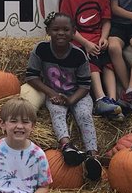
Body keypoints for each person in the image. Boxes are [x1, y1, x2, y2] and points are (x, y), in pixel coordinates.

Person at [26, 12, 102, 182]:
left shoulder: (79, 55)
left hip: (78, 95)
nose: (61, 33)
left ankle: (93, 156)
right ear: (48, 31)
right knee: (57, 111)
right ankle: (67, 146)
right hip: (54, 92)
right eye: (56, 29)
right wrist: (51, 93)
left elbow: (85, 86)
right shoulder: (41, 49)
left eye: (66, 30)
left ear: (73, 32)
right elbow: (31, 76)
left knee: (84, 115)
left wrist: (71, 100)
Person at [60, 0, 122, 118]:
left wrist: (104, 38)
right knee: (91, 60)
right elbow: (68, 27)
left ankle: (112, 101)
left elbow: (106, 20)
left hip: (98, 38)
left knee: (108, 62)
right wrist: (86, 44)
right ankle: (100, 99)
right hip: (80, 41)